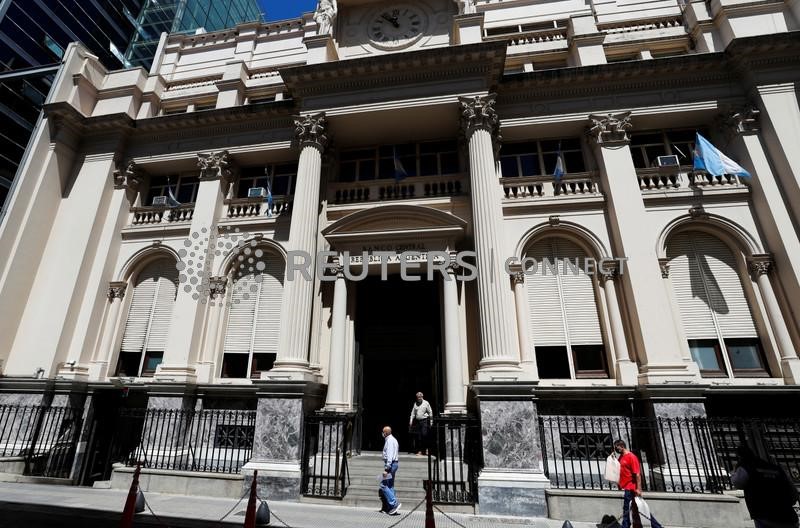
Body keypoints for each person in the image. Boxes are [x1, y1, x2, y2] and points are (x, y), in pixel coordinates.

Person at [731, 445, 799, 528]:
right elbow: (794, 493)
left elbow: (737, 483)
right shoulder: (775, 468)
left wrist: (736, 468)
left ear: (739, 457)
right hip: (787, 515)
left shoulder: (746, 467)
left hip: (764, 515)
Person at [614, 440, 643, 528]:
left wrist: (639, 489)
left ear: (622, 446)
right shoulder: (621, 457)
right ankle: (657, 526)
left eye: (616, 447)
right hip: (626, 487)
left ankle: (625, 526)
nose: (615, 449)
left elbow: (637, 474)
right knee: (638, 509)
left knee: (627, 509)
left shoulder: (631, 457)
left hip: (631, 487)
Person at [381, 426, 401, 515]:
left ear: (386, 433)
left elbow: (389, 455)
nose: (382, 433)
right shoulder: (393, 439)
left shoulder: (389, 441)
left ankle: (394, 504)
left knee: (383, 485)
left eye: (383, 432)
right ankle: (391, 507)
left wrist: (386, 468)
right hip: (394, 464)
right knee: (390, 485)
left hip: (391, 465)